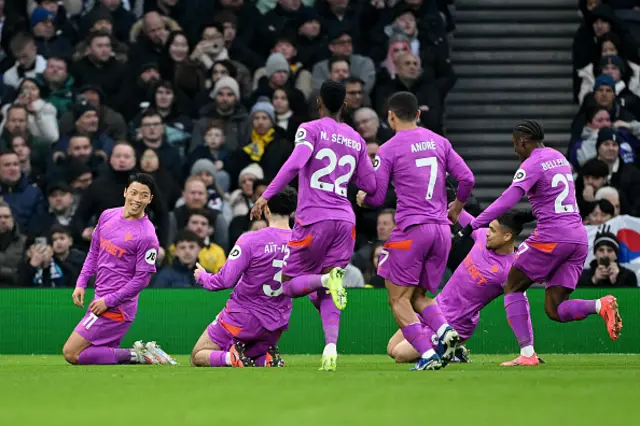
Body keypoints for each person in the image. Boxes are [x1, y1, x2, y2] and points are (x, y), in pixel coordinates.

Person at [455, 120, 623, 365]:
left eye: (515, 144)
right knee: (554, 309)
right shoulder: (559, 158)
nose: (515, 150)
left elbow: (506, 200)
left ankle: (526, 354)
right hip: (577, 237)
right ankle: (600, 305)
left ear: (523, 140)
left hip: (552, 236)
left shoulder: (531, 163)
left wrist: (474, 224)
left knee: (512, 286)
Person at [250, 80, 376, 371]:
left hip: (314, 218)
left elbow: (296, 164)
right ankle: (331, 348)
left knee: (290, 285)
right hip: (345, 221)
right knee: (330, 286)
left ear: (319, 101)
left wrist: (266, 194)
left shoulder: (310, 129)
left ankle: (323, 281)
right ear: (344, 104)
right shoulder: (356, 139)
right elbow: (370, 185)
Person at [356, 91, 475, 371]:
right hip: (441, 232)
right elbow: (467, 178)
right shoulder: (440, 142)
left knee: (397, 298)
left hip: (412, 230)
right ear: (418, 115)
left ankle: (427, 354)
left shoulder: (389, 148)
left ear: (390, 116)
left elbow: (375, 197)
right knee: (418, 296)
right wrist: (456, 209)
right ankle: (445, 331)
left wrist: (362, 198)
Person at [388, 209, 542, 367]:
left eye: (493, 230)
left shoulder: (510, 270)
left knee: (401, 354)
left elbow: (521, 307)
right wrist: (449, 201)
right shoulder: (482, 236)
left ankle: (448, 347)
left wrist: (527, 347)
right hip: (435, 308)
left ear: (507, 236)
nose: (488, 233)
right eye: (489, 228)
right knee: (391, 348)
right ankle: (453, 352)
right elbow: (460, 214)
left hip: (457, 322)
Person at [61, 173, 177, 366]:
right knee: (96, 354)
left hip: (117, 307)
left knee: (71, 352)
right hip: (100, 298)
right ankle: (138, 356)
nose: (137, 199)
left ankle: (138, 355)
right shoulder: (107, 215)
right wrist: (81, 283)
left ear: (150, 199)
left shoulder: (147, 236)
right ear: (125, 193)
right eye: (134, 192)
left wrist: (108, 301)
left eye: (143, 195)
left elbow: (142, 279)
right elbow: (94, 252)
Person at [191, 187, 298, 368]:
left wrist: (202, 277)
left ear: (266, 208)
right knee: (249, 355)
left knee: (198, 355)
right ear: (293, 211)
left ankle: (230, 358)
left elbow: (224, 280)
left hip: (242, 317)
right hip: (276, 322)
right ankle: (266, 359)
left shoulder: (251, 240)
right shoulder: (301, 243)